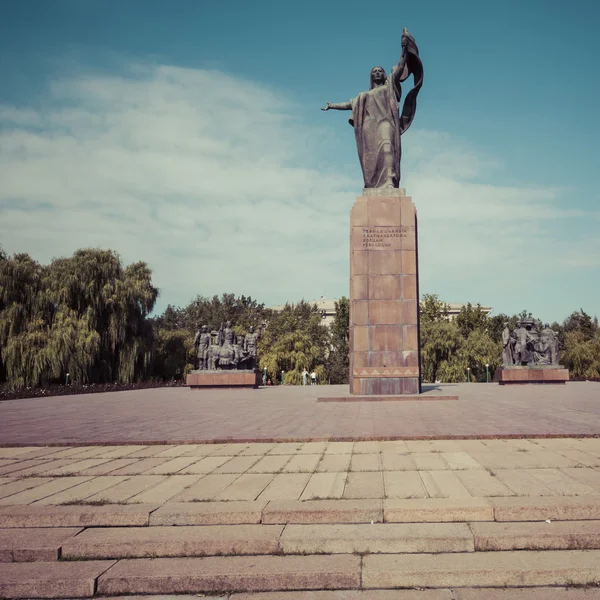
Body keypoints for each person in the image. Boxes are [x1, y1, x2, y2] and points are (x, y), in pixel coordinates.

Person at [321, 28, 423, 188]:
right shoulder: (363, 96)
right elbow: (349, 104)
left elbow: (401, 66)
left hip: (385, 122)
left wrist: (404, 48)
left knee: (387, 147)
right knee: (372, 157)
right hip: (370, 127)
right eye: (374, 71)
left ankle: (389, 181)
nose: (377, 73)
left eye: (380, 71)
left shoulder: (389, 86)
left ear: (384, 75)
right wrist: (332, 106)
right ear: (371, 76)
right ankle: (375, 185)